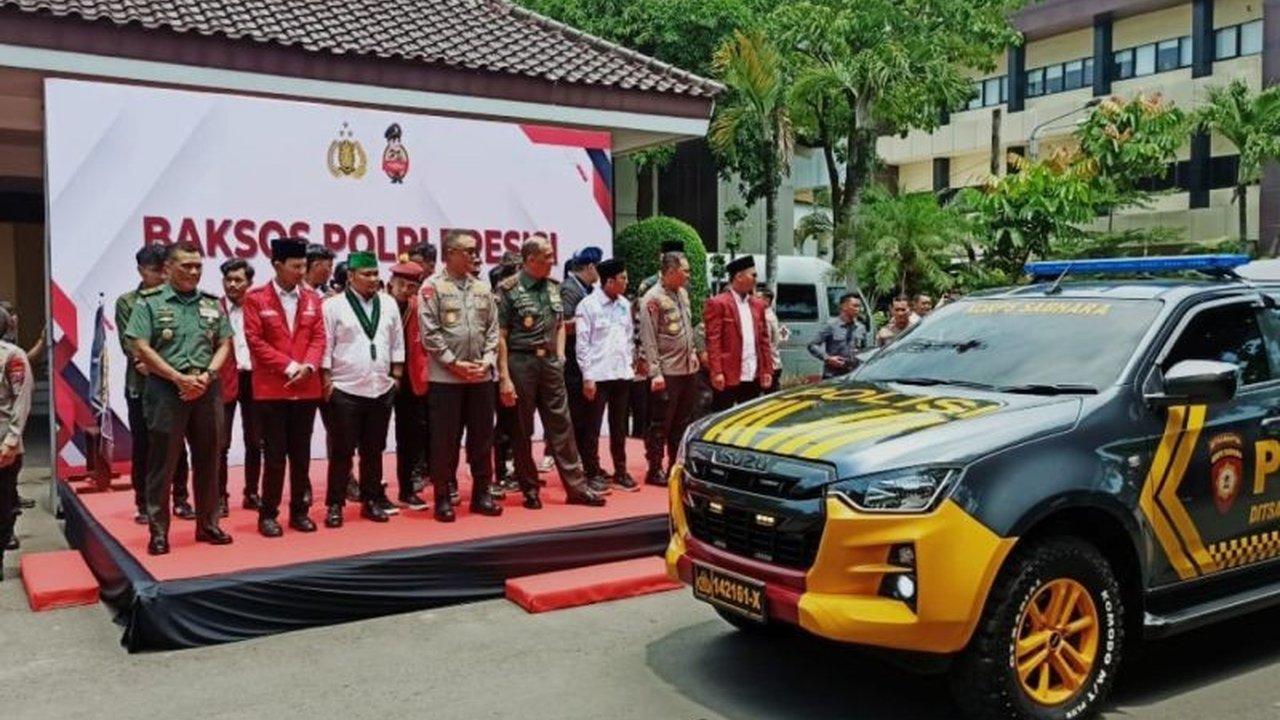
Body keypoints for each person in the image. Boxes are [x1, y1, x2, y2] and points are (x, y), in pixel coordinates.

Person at [125, 242, 234, 556]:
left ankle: (208, 524)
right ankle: (159, 532)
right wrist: (177, 377)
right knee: (163, 463)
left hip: (206, 388)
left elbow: (225, 343)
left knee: (209, 459)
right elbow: (140, 346)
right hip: (165, 390)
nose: (194, 271)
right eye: (187, 266)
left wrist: (208, 376)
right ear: (168, 268)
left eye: (198, 266)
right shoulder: (149, 302)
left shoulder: (212, 303)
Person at [497, 236, 607, 508]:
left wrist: (559, 356)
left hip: (550, 364)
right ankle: (529, 487)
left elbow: (559, 324)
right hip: (520, 362)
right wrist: (505, 377)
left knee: (562, 425)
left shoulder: (554, 288)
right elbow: (500, 336)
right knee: (522, 428)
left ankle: (577, 488)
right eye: (546, 256)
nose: (552, 261)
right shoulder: (508, 289)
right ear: (530, 259)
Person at [243, 239, 326, 536]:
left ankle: (300, 512)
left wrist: (309, 367)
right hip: (272, 389)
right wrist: (290, 367)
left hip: (306, 388)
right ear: (277, 265)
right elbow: (256, 342)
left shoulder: (313, 298)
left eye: (303, 266)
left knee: (301, 456)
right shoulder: (256, 299)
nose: (301, 272)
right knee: (275, 456)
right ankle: (268, 514)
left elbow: (319, 338)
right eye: (295, 267)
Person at [419, 231, 504, 521]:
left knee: (482, 439)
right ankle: (443, 497)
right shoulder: (432, 287)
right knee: (445, 441)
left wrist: (489, 360)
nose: (474, 256)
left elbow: (493, 329)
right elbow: (429, 333)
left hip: (480, 376)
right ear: (450, 253)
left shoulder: (482, 287)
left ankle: (482, 494)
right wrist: (453, 363)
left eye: (475, 250)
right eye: (467, 251)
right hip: (446, 379)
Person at [321, 252, 404, 526]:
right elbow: (326, 345)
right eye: (366, 274)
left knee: (373, 450)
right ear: (351, 277)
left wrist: (396, 377)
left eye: (375, 273)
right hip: (345, 388)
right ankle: (335, 504)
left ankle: (371, 501)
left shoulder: (389, 303)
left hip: (380, 387)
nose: (372, 279)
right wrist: (327, 381)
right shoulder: (333, 306)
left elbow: (397, 343)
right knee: (342, 452)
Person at [115, 244, 192, 525]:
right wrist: (157, 364)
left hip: (175, 383)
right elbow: (132, 344)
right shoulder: (127, 302)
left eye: (165, 270)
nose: (161, 277)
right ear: (141, 270)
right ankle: (144, 503)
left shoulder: (179, 299)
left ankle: (181, 498)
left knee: (177, 444)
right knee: (144, 444)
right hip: (142, 384)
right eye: (155, 271)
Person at [574, 258, 637, 492]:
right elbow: (582, 344)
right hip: (598, 376)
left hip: (621, 374)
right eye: (623, 278)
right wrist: (587, 376)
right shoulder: (588, 306)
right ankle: (592, 472)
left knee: (619, 426)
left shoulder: (624, 304)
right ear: (609, 281)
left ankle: (621, 471)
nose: (626, 282)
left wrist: (630, 364)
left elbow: (629, 337)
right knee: (592, 426)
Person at [638, 251, 699, 486]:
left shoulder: (682, 294)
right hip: (667, 372)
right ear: (671, 272)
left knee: (682, 422)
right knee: (660, 423)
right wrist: (655, 372)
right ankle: (654, 468)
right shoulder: (652, 298)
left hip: (686, 369)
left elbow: (687, 327)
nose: (688, 275)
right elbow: (649, 337)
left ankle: (676, 464)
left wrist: (692, 351)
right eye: (685, 270)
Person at [216, 259, 264, 516]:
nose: (232, 284)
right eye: (228, 280)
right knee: (220, 444)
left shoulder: (258, 307)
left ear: (249, 283)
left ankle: (252, 492)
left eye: (238, 280)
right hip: (224, 380)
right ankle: (220, 497)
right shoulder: (214, 308)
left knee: (255, 441)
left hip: (255, 379)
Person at [630, 239, 685, 441]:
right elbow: (643, 326)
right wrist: (643, 358)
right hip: (656, 360)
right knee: (656, 415)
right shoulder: (650, 287)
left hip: (680, 363)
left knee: (679, 417)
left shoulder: (682, 286)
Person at [704, 255, 773, 411]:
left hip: (753, 372)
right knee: (722, 416)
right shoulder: (718, 303)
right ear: (739, 276)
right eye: (753, 275)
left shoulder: (758, 305)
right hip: (728, 374)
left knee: (749, 418)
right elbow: (713, 340)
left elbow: (764, 340)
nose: (756, 279)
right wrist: (716, 372)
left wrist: (767, 369)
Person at [387, 259, 430, 511]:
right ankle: (374, 492)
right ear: (391, 282)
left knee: (410, 437)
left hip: (413, 380)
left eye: (411, 285)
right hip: (381, 379)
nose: (405, 289)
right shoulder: (381, 305)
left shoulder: (419, 307)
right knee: (374, 440)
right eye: (401, 284)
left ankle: (407, 489)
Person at [560, 246, 602, 485]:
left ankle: (589, 464)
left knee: (589, 418)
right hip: (572, 364)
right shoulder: (569, 289)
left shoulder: (588, 289)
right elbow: (562, 325)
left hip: (588, 360)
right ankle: (578, 468)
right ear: (590, 267)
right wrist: (588, 323)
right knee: (577, 418)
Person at [0, 305, 32, 572]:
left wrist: (11, 441)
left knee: (4, 499)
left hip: (2, 441)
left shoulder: (12, 356)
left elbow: (21, 400)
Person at [488, 253, 522, 496]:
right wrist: (503, 373)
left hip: (518, 368)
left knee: (513, 423)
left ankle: (512, 470)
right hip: (499, 370)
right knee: (502, 424)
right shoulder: (497, 300)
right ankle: (500, 473)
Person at [808, 292, 868, 379]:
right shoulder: (831, 326)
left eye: (859, 306)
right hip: (833, 375)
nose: (858, 309)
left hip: (852, 376)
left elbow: (864, 351)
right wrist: (828, 359)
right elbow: (812, 345)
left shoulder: (860, 328)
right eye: (855, 306)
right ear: (844, 307)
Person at [757, 287, 787, 391]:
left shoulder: (766, 318)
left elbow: (766, 344)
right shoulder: (768, 315)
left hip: (769, 365)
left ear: (766, 300)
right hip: (772, 364)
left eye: (758, 298)